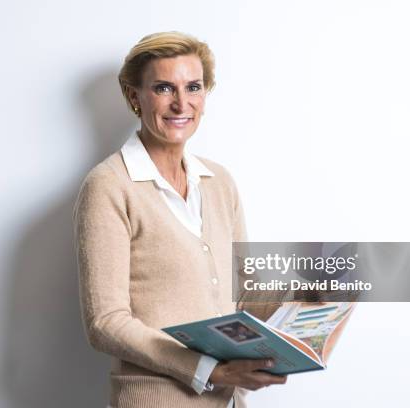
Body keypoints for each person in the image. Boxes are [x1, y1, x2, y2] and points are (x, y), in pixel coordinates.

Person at [73, 31, 287, 408]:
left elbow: (243, 294)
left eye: (193, 86)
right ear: (134, 96)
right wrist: (209, 370)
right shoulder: (108, 186)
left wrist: (303, 296)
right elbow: (105, 322)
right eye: (163, 88)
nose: (181, 103)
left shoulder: (220, 182)